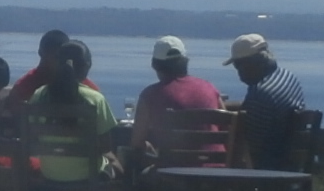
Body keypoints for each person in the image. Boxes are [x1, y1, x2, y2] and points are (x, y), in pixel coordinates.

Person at [23, 38, 117, 183]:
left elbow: (31, 137)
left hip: (49, 173)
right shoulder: (95, 99)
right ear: (87, 65)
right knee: (115, 165)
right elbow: (105, 146)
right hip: (87, 175)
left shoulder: (39, 95)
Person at [224, 33, 307, 169]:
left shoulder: (260, 93)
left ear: (252, 63)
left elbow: (250, 145)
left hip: (265, 168)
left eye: (238, 65)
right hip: (287, 163)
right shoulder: (287, 77)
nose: (238, 72)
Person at [130, 35, 223, 154]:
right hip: (217, 164)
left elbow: (137, 141)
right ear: (185, 62)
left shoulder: (149, 95)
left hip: (173, 165)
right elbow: (227, 126)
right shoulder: (210, 88)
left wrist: (148, 146)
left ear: (155, 65)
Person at [10, 29, 99, 102]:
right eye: (57, 57)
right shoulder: (25, 86)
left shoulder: (85, 85)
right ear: (41, 53)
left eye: (64, 57)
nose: (61, 61)